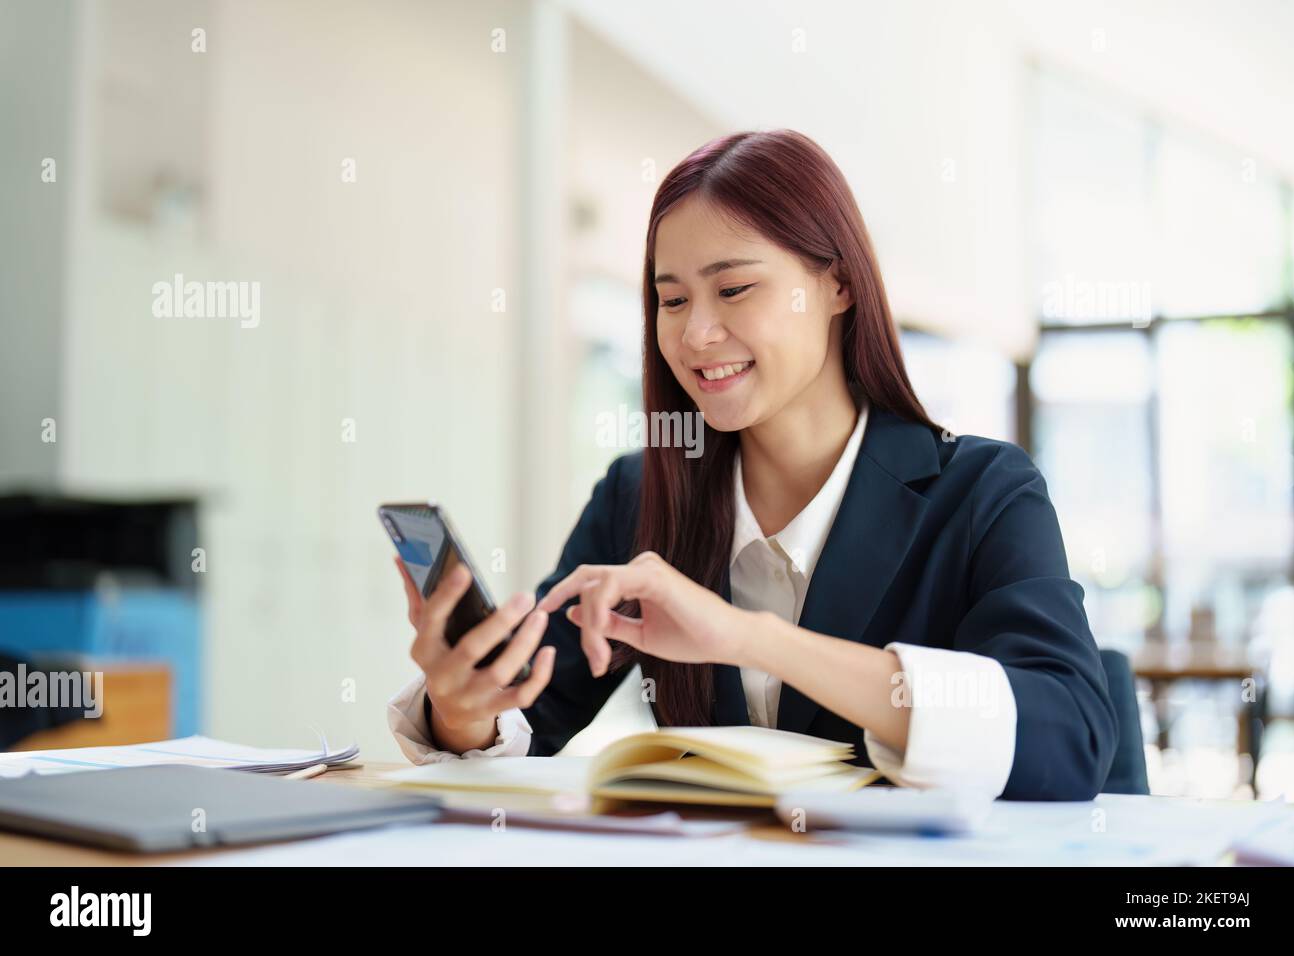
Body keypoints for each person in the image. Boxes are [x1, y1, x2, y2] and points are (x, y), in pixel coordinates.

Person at [388, 129, 1117, 800]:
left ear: (839, 284)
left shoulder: (981, 493)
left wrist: (749, 637)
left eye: (734, 289)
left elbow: (1068, 736)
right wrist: (461, 710)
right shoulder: (640, 495)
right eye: (671, 300)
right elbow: (529, 715)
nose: (696, 333)